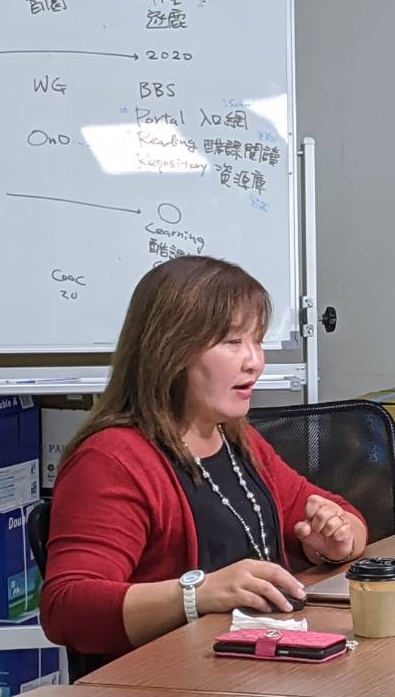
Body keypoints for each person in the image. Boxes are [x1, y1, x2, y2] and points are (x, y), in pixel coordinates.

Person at [41, 256, 368, 660]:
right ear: (172, 351)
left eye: (257, 341)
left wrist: (334, 543)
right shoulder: (111, 459)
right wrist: (198, 593)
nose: (255, 361)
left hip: (251, 673)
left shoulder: (232, 437)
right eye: (234, 342)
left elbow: (346, 517)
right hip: (164, 693)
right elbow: (67, 608)